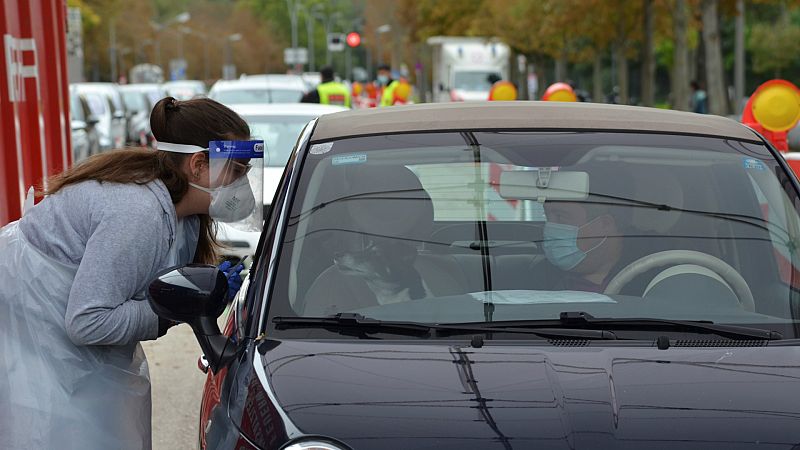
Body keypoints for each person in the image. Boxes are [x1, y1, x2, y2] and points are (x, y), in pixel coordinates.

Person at [0, 96, 250, 449]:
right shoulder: (137, 213)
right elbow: (87, 321)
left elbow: (154, 291)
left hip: (60, 344)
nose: (242, 183)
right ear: (197, 165)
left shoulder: (183, 215)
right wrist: (175, 310)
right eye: (236, 170)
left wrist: (202, 294)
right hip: (33, 338)